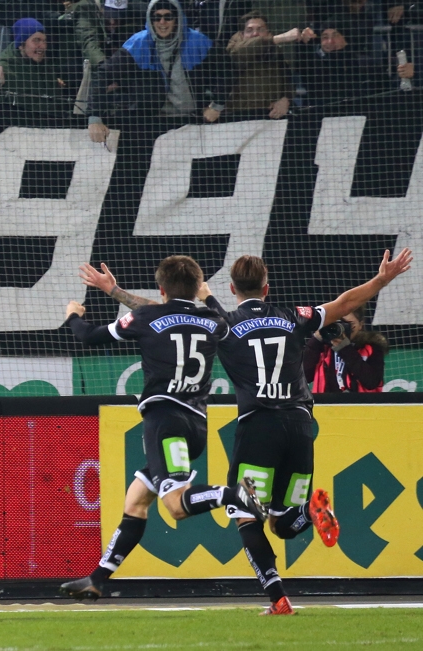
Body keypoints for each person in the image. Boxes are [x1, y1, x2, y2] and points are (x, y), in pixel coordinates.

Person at [100, 249, 411, 614]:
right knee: (283, 523)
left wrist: (116, 292)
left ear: (232, 288)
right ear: (267, 288)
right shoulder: (294, 316)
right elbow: (344, 304)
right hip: (299, 424)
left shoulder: (224, 322)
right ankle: (309, 513)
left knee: (247, 515)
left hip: (258, 427)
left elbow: (169, 314)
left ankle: (278, 599)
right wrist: (382, 280)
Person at [58, 255, 267, 601]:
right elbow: (170, 311)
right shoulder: (213, 320)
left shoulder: (147, 317)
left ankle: (235, 495)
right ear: (197, 286)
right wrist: (114, 291)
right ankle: (96, 579)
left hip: (165, 421)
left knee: (175, 506)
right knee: (137, 500)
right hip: (196, 425)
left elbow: (88, 337)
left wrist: (72, 315)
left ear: (161, 288)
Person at [86, 0, 231, 145]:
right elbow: (102, 74)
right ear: (150, 19)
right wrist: (94, 117)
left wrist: (217, 105)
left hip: (193, 121)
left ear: (178, 18)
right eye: (157, 17)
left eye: (168, 17)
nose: (162, 22)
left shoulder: (198, 41)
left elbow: (226, 69)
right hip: (149, 125)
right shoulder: (138, 43)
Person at [288, 20, 414, 107]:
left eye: (335, 35)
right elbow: (302, 62)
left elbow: (387, 93)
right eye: (325, 37)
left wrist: (403, 75)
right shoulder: (315, 67)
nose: (330, 41)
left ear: (345, 38)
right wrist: (303, 42)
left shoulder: (367, 64)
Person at [0, 17, 72, 114]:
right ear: (21, 44)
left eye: (44, 41)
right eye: (36, 40)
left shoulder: (45, 66)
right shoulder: (3, 67)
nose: (43, 46)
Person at [304, 304, 389, 393]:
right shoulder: (322, 348)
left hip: (360, 405)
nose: (343, 328)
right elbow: (304, 377)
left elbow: (372, 382)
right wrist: (315, 340)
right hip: (325, 404)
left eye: (349, 324)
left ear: (361, 324)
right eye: (338, 323)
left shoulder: (371, 348)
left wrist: (345, 348)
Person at [225, 11, 293, 120]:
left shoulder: (275, 52)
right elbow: (239, 53)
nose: (255, 34)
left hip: (272, 117)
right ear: (241, 34)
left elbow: (287, 80)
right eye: (249, 30)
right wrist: (275, 39)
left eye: (261, 29)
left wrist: (285, 99)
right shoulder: (234, 49)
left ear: (268, 32)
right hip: (240, 117)